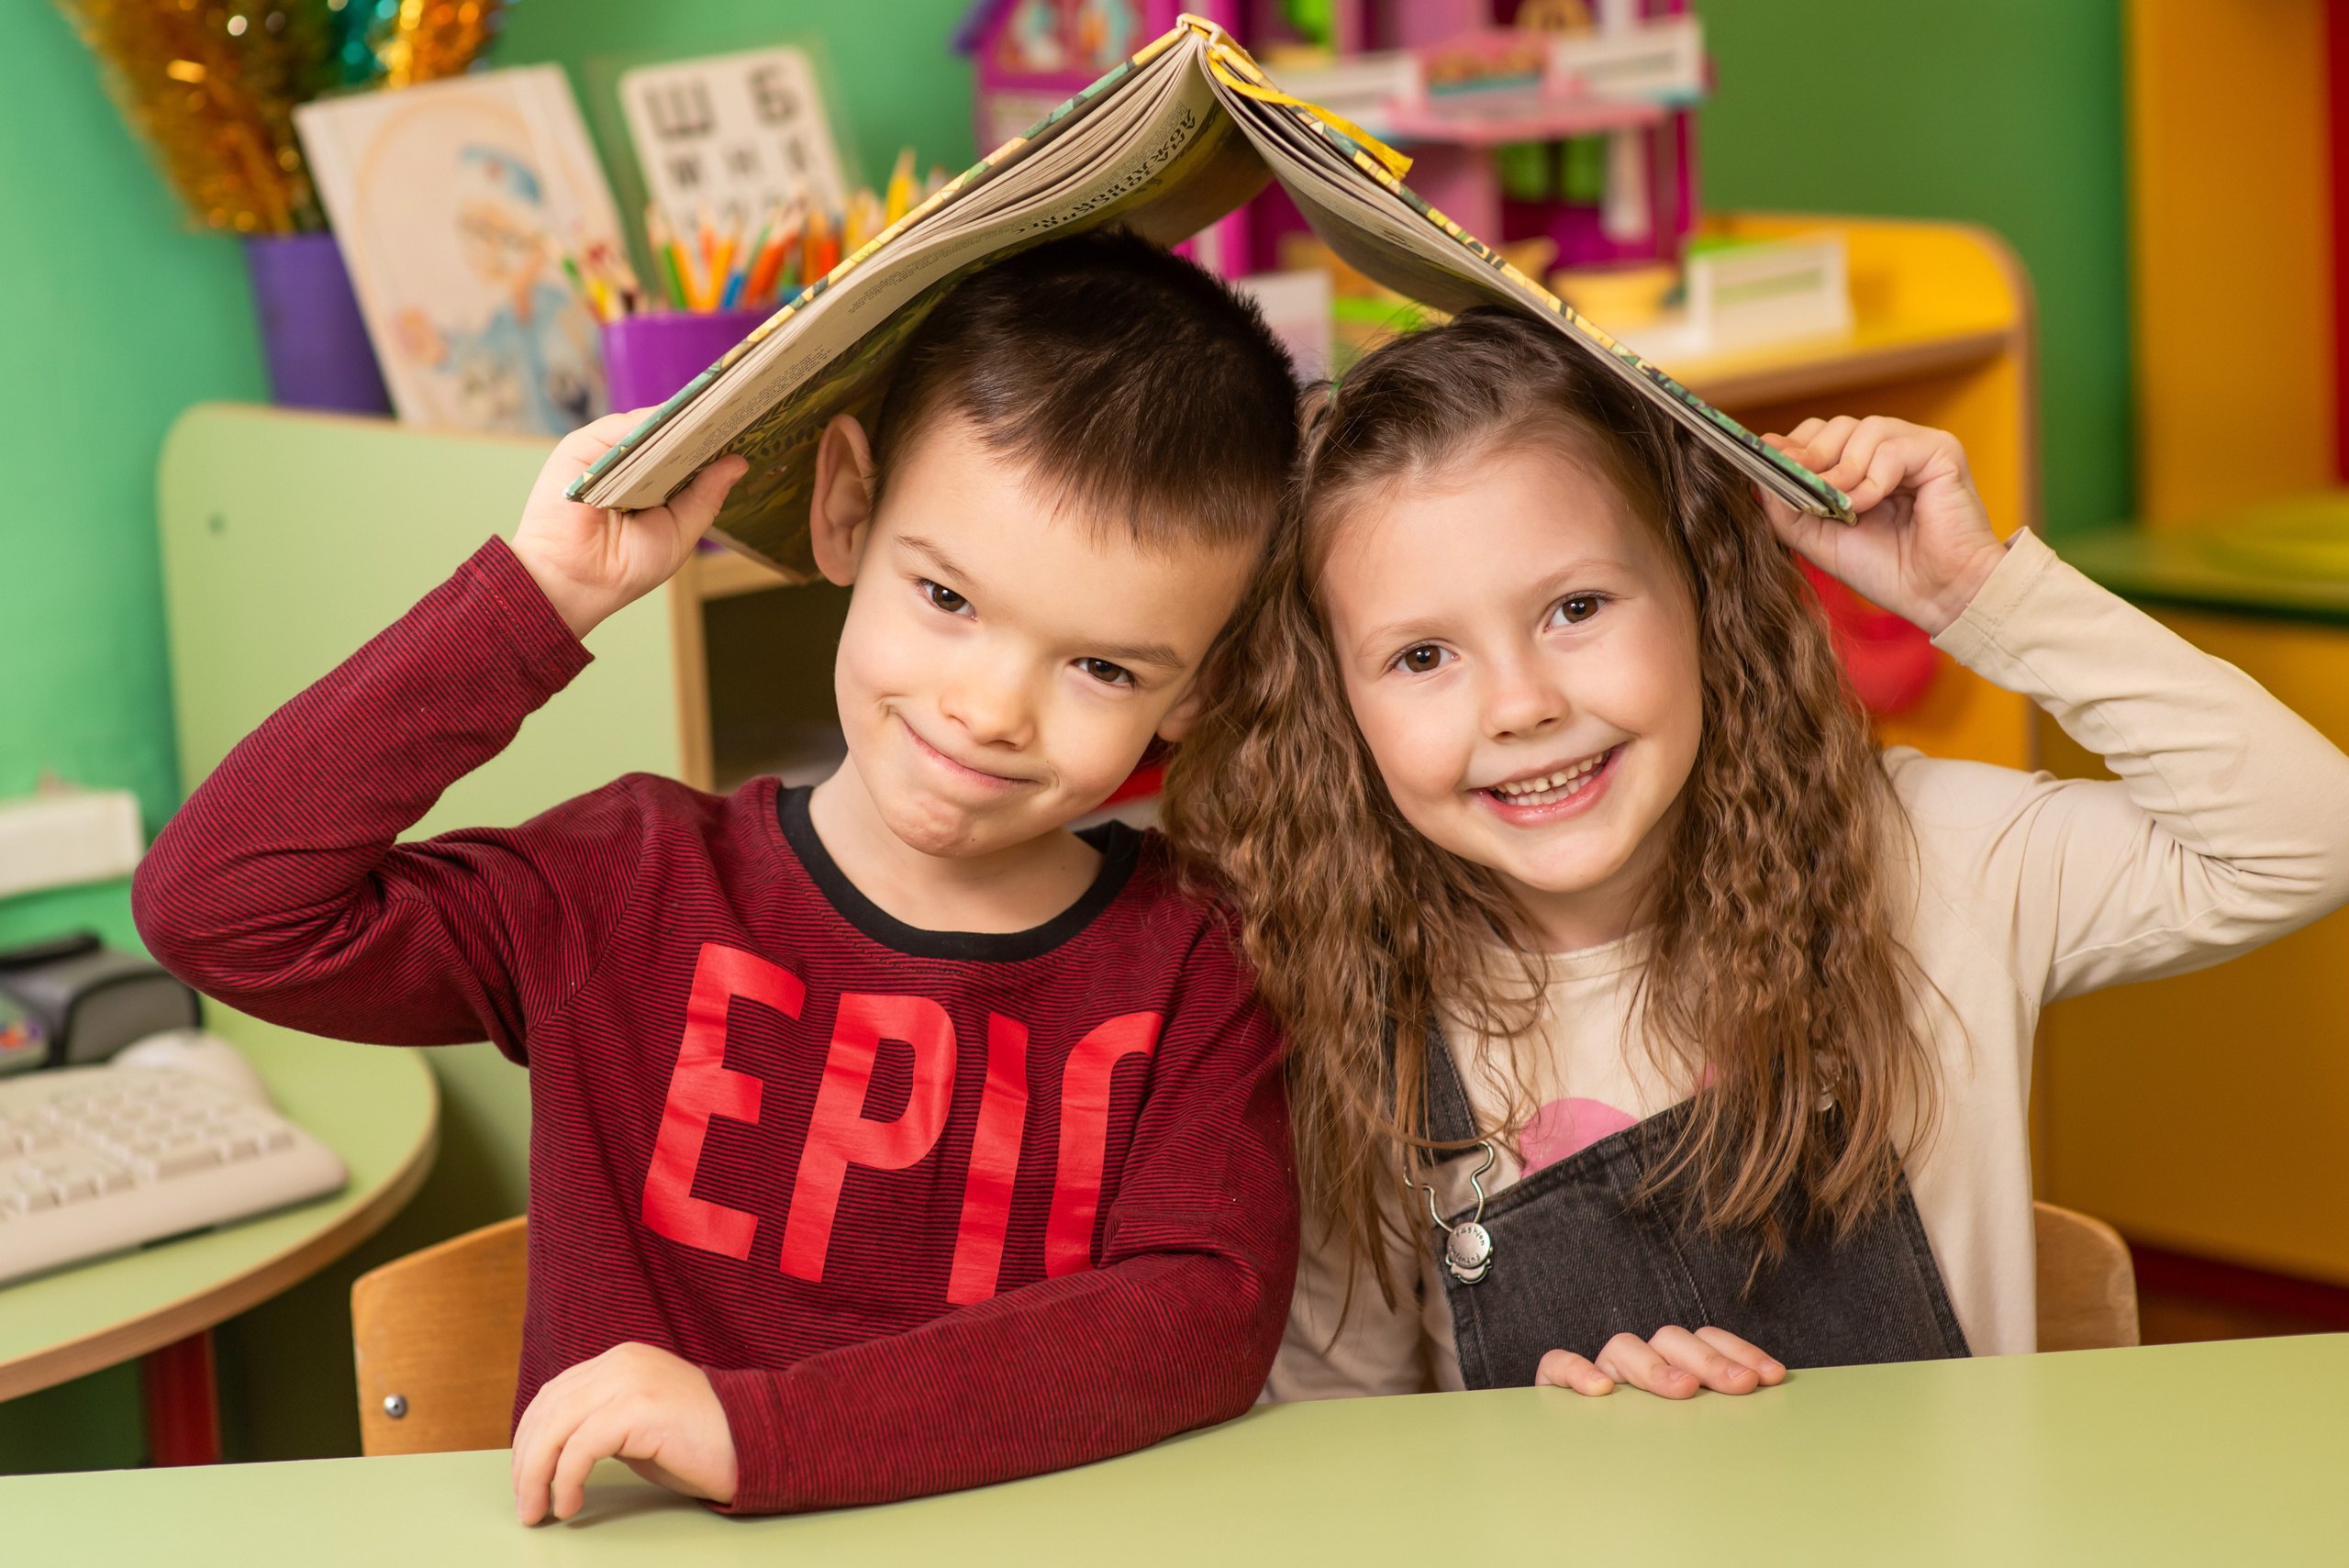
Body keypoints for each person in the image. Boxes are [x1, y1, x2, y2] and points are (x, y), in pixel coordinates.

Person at [134, 230, 1301, 1518]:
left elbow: (1200, 1318)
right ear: (847, 509)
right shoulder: (627, 887)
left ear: (1202, 685)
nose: (988, 709)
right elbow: (221, 906)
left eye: (1102, 669)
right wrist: (536, 599)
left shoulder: (1199, 959)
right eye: (947, 597)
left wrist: (761, 1430)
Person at [1162, 307, 2349, 1402]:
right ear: (1340, 706)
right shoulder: (1354, 1007)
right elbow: (1351, 1438)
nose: (1519, 704)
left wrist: (1978, 592)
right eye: (1422, 656)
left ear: (1701, 587)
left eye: (1576, 607)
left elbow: (2309, 835)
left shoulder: (1928, 859)